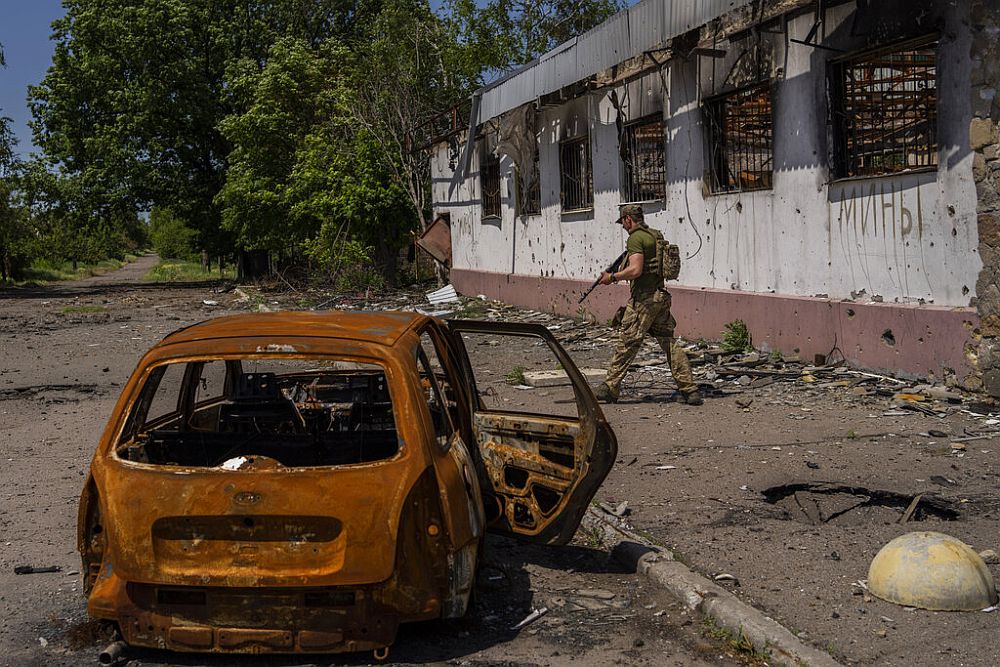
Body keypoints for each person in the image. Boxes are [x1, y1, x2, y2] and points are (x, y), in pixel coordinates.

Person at [594, 204, 702, 405]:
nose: (624, 227)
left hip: (644, 301)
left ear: (628, 219)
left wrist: (613, 277)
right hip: (660, 297)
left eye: (624, 223)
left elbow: (635, 270)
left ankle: (610, 387)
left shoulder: (635, 238)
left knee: (627, 342)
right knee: (668, 343)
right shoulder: (654, 235)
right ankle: (690, 390)